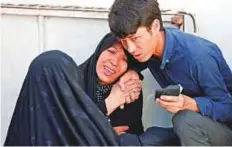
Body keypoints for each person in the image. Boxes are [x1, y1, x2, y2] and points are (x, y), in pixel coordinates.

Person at [108, 0, 232, 145]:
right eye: (124, 41)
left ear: (154, 27)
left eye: (135, 39)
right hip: (193, 129)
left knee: (184, 120)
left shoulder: (198, 57)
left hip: (224, 130)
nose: (131, 49)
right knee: (148, 139)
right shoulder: (150, 46)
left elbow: (228, 108)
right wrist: (132, 71)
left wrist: (192, 104)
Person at [4, 33, 142, 145]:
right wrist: (103, 132)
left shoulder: (128, 90)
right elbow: (64, 132)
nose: (115, 62)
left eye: (125, 59)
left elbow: (133, 136)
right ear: (99, 52)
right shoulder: (68, 84)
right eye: (111, 51)